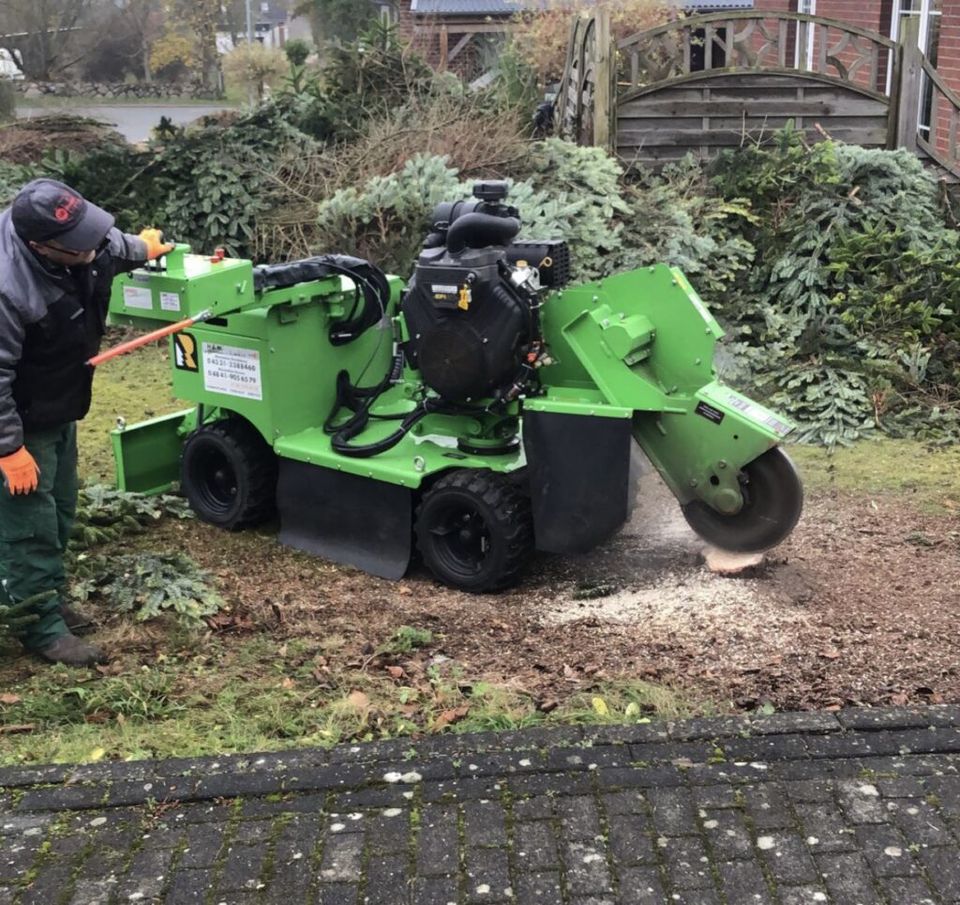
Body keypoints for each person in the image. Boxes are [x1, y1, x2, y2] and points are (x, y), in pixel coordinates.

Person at [0, 178, 173, 666]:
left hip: (58, 399)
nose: (93, 248)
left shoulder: (81, 240)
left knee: (59, 507)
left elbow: (112, 244)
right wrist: (9, 448)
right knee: (28, 523)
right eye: (80, 245)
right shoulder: (7, 288)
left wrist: (145, 247)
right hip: (17, 415)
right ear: (42, 247)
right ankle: (38, 626)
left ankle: (48, 598)